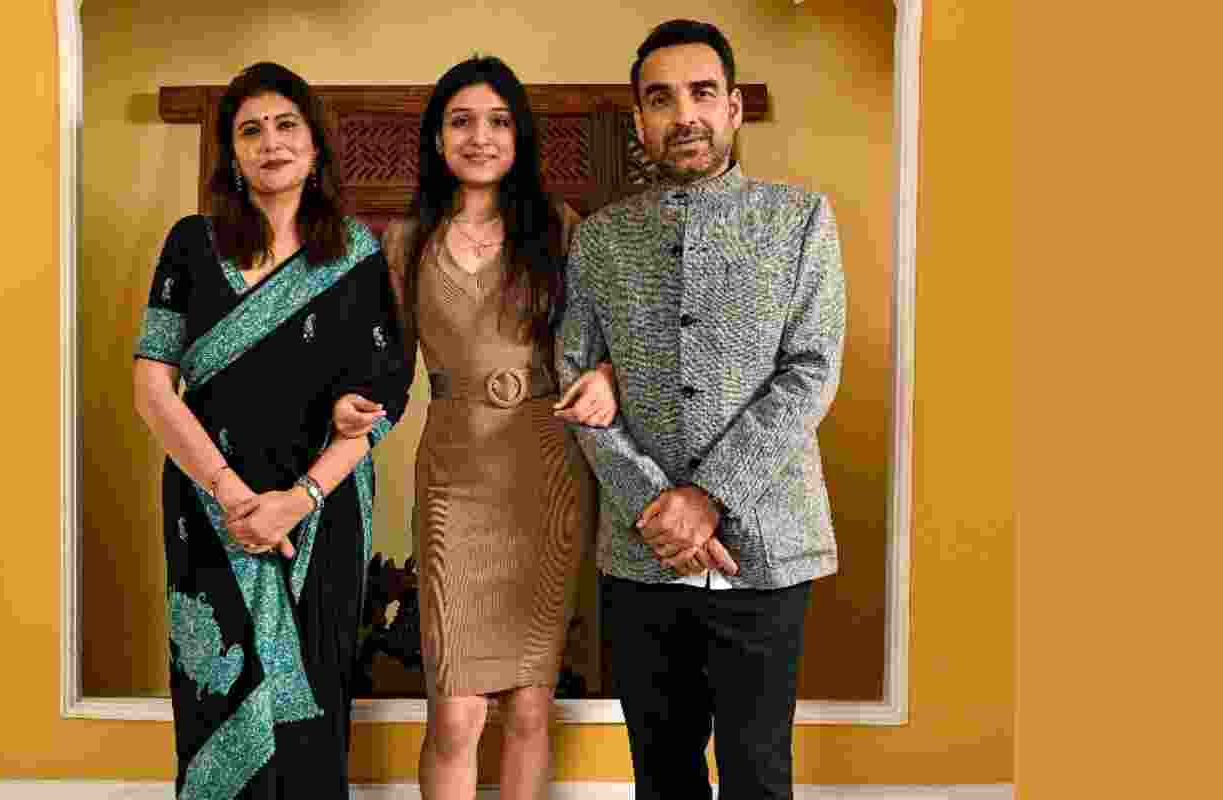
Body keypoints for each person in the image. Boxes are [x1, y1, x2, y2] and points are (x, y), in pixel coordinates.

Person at [555, 20, 847, 800]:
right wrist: (657, 505)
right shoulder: (601, 241)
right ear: (640, 121)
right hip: (640, 551)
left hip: (769, 544)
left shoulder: (801, 220)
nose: (684, 113)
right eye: (661, 99)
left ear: (734, 109)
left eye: (702, 93)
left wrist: (707, 498)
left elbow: (810, 371)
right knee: (662, 772)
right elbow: (576, 378)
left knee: (758, 770)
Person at [332, 56, 619, 800]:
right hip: (457, 479)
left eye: (497, 121)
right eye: (461, 121)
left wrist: (610, 379)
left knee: (530, 705)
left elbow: (610, 344)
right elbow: (378, 364)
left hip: (549, 470)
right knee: (454, 712)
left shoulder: (559, 231)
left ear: (519, 136)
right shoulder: (403, 242)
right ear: (436, 139)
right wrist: (348, 405)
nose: (480, 137)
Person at [132, 62, 412, 800]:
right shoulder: (191, 246)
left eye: (288, 125)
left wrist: (302, 495)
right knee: (210, 688)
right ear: (231, 153)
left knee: (314, 698)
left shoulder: (355, 256)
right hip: (209, 507)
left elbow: (383, 397)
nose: (271, 142)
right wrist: (229, 493)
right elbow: (152, 386)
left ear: (315, 146)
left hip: (319, 511)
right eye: (250, 130)